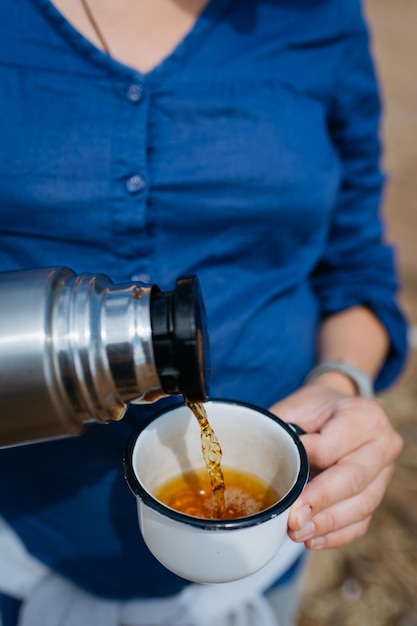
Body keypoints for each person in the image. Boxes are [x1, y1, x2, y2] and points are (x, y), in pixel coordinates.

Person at [0, 0, 408, 624]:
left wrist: (342, 382)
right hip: (20, 545)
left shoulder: (318, 18)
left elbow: (353, 269)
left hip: (258, 566)